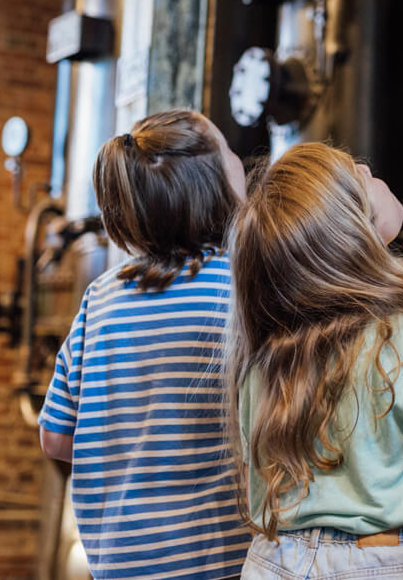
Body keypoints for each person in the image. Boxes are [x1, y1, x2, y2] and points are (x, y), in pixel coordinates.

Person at [223, 142, 403, 580]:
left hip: (272, 559)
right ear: (354, 230)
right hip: (382, 563)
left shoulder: (264, 350)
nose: (366, 167)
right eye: (360, 177)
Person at [38, 110, 252, 579]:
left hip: (119, 564)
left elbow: (55, 437)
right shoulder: (241, 286)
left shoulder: (101, 297)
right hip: (218, 563)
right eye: (231, 152)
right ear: (210, 185)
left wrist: (131, 449)